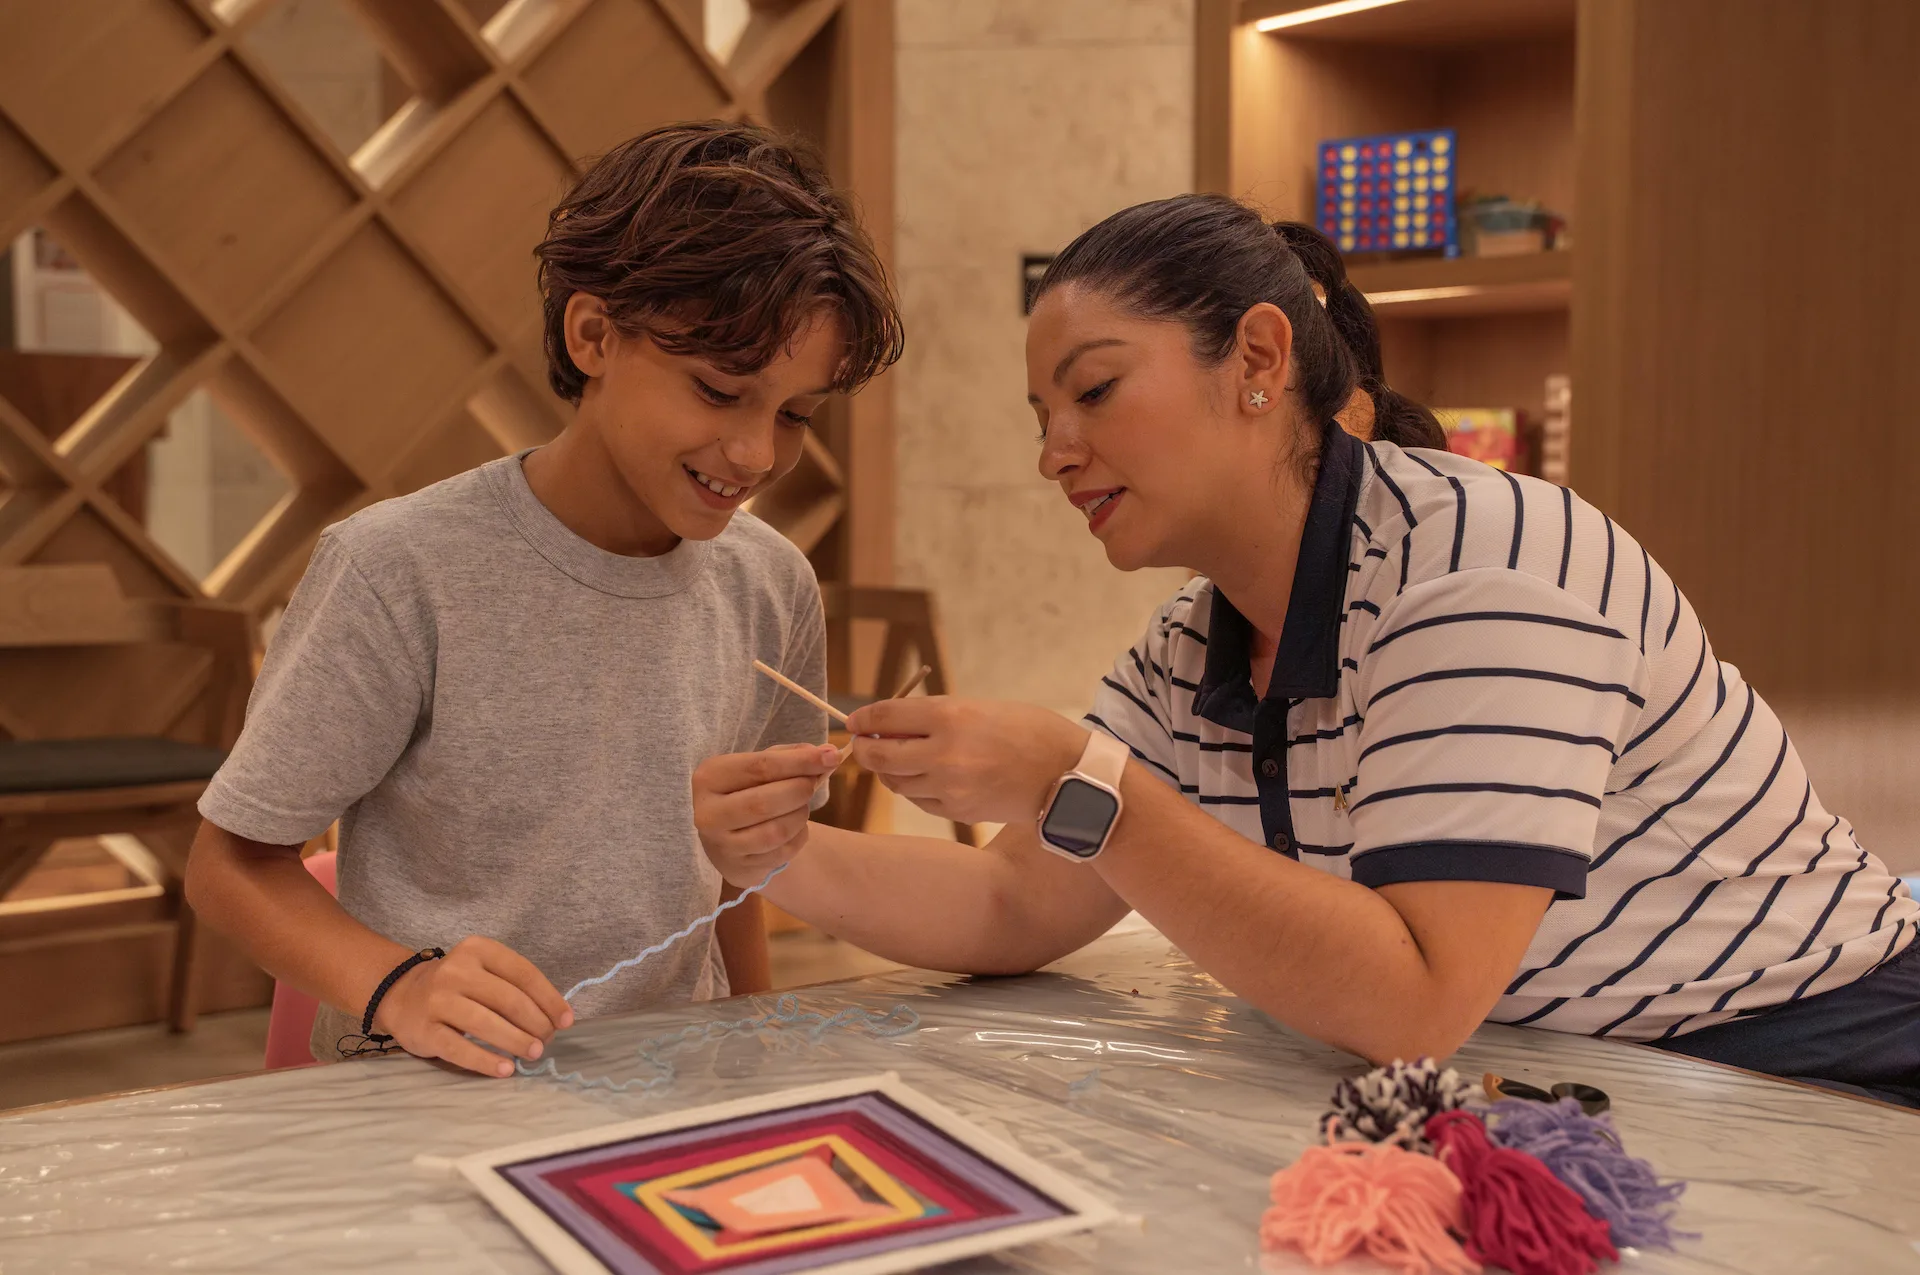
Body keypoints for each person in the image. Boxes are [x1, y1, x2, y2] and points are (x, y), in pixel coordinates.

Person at [694, 195, 1920, 1106]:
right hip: (1562, 1086)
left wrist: (1084, 781)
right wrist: (777, 853)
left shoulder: (1489, 563)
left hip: (1817, 1071)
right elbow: (1019, 898)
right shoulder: (1193, 643)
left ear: (1262, 364)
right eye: (1042, 416)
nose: (1055, 451)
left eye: (1097, 392)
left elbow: (1414, 1001)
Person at [185, 122, 901, 1075]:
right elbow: (230, 866)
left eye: (796, 415)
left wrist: (751, 1032)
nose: (758, 454)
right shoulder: (399, 569)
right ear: (593, 334)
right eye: (720, 390)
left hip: (668, 1077)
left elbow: (743, 870)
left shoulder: (771, 583)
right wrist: (398, 983)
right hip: (427, 1093)